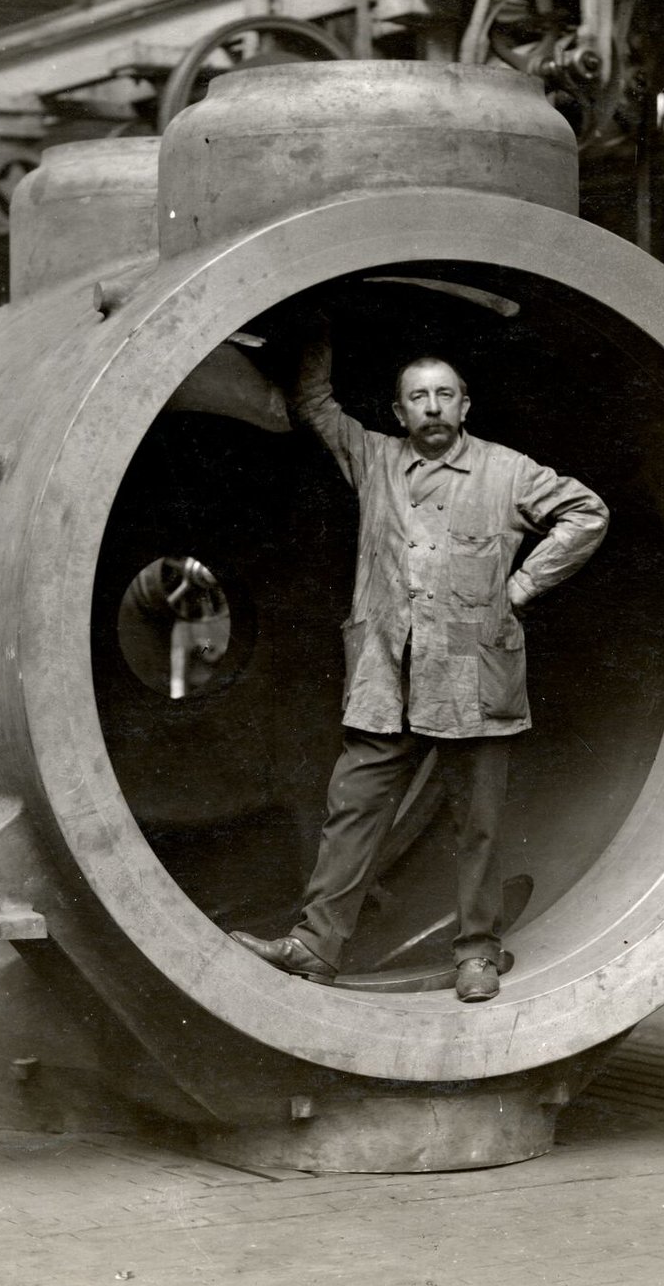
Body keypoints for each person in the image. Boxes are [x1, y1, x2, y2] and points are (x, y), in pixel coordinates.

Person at [232, 328, 608, 1003]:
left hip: (473, 674)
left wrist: (520, 588)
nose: (431, 407)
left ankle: (477, 955)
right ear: (399, 412)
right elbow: (316, 404)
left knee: (478, 825)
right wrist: (323, 317)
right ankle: (316, 945)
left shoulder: (507, 470)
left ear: (465, 406)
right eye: (417, 398)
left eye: (444, 395)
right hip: (386, 677)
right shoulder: (373, 459)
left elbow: (587, 511)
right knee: (352, 809)